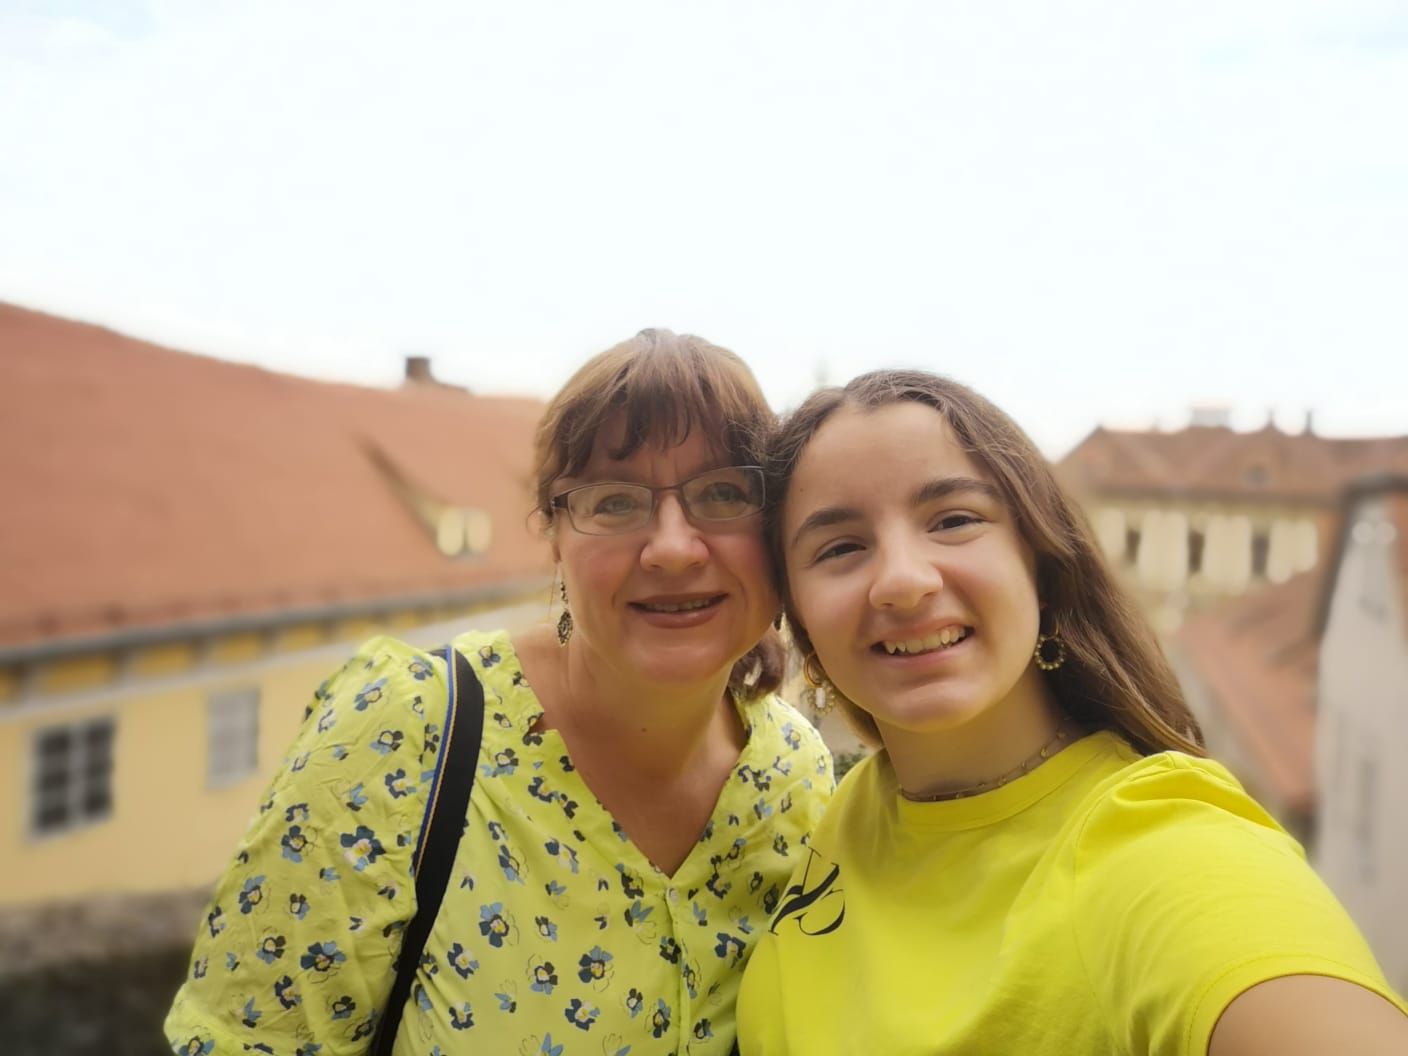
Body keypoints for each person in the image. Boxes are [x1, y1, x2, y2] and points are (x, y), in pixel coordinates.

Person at [165, 329, 833, 1056]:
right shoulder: (408, 731)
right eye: (615, 502)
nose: (672, 547)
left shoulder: (793, 777)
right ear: (554, 537)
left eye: (723, 494)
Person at [736, 369, 1408, 1055]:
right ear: (800, 618)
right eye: (841, 547)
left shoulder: (1158, 847)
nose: (904, 580)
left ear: (1042, 562)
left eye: (954, 520)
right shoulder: (849, 807)